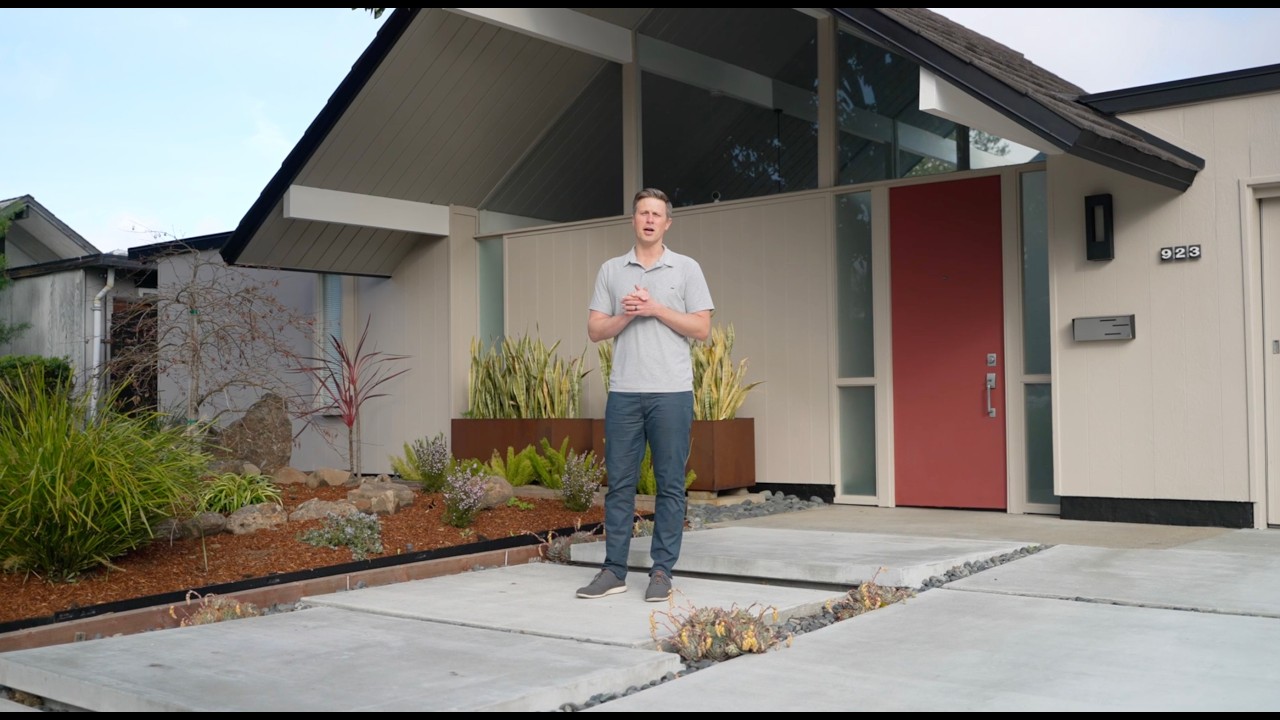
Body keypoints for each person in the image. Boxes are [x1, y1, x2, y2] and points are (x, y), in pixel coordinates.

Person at [576, 188, 714, 603]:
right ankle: (614, 570)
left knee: (670, 484)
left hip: (671, 392)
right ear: (633, 220)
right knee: (619, 484)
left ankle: (660, 571)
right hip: (625, 393)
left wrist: (654, 308)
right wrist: (627, 314)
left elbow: (702, 329)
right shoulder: (612, 270)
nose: (650, 219)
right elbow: (595, 330)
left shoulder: (686, 268)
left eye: (657, 214)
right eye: (642, 213)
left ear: (667, 223)